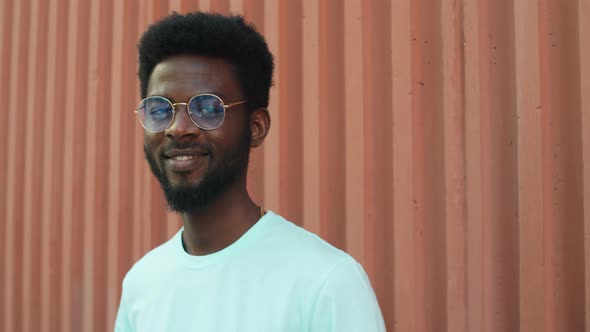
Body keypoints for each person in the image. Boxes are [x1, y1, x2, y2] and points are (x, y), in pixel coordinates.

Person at [114, 12, 385, 332]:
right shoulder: (142, 285)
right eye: (160, 110)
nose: (178, 129)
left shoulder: (326, 283)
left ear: (255, 127)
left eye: (207, 108)